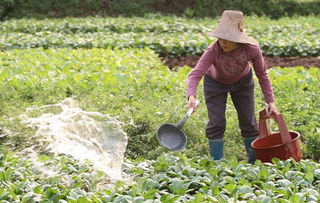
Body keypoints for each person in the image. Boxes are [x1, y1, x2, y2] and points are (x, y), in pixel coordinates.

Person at [187, 10, 277, 163]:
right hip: (214, 84)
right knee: (217, 123)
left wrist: (271, 102)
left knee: (248, 122)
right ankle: (216, 164)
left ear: (238, 37)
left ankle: (254, 163)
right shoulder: (213, 50)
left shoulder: (251, 49)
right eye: (221, 38)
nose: (223, 42)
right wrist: (191, 96)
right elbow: (195, 74)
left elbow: (262, 75)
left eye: (228, 38)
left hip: (242, 84)